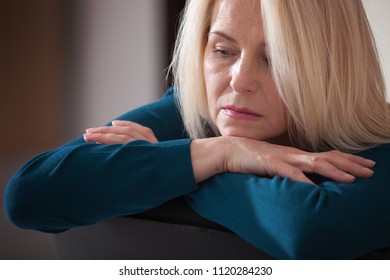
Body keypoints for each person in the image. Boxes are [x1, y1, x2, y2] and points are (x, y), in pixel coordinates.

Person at [4, 0, 390, 259]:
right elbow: (28, 195)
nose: (239, 82)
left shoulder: (378, 143)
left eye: (274, 60)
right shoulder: (194, 111)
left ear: (330, 68)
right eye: (223, 51)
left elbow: (309, 231)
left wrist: (181, 167)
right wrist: (214, 152)